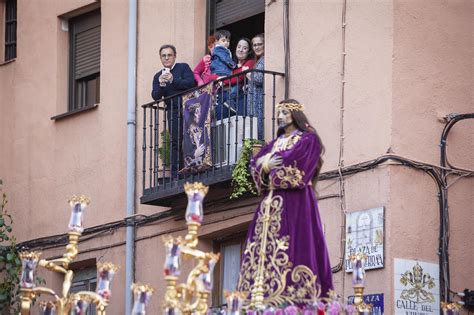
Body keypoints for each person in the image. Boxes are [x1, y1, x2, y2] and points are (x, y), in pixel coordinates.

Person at [237, 99, 334, 307]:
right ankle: (258, 298)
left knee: (294, 246)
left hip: (295, 204)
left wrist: (267, 163)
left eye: (284, 112)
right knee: (262, 250)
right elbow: (255, 164)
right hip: (268, 205)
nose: (280, 116)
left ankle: (295, 300)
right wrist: (264, 164)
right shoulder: (275, 143)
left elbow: (296, 169)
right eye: (279, 112)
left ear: (295, 115)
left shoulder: (309, 140)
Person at [151, 44, 196, 177]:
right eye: (163, 56)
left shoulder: (183, 67)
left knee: (191, 138)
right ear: (160, 58)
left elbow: (191, 84)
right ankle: (176, 173)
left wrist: (173, 80)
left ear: (174, 56)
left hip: (188, 108)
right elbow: (155, 96)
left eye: (169, 55)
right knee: (175, 141)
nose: (166, 58)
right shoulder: (157, 76)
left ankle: (192, 168)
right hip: (172, 111)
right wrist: (160, 84)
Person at [213, 37, 255, 119]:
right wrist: (217, 78)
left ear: (249, 51)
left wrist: (223, 81)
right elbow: (212, 75)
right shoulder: (231, 63)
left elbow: (240, 76)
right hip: (223, 97)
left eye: (245, 48)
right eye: (239, 47)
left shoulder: (251, 62)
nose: (241, 50)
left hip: (240, 98)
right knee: (220, 125)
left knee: (239, 124)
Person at [246, 33, 265, 140]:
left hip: (258, 101)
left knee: (258, 130)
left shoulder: (264, 59)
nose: (257, 47)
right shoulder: (258, 61)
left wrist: (248, 74)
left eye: (260, 44)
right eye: (254, 45)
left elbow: (259, 79)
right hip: (254, 100)